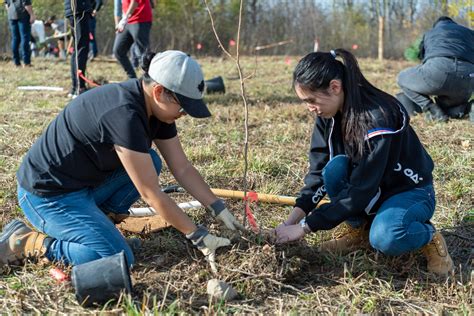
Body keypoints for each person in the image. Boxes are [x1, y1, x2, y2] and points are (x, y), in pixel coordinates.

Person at [0, 50, 243, 271]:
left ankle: (101, 220)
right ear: (159, 91)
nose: (184, 114)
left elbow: (182, 167)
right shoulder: (124, 115)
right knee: (117, 258)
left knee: (152, 162)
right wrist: (198, 235)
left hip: (82, 186)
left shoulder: (156, 109)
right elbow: (151, 194)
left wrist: (217, 206)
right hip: (47, 196)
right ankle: (26, 241)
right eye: (183, 107)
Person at [274, 49, 454, 276]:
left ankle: (428, 237)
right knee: (333, 170)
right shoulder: (326, 115)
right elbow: (318, 172)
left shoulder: (377, 118)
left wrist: (304, 228)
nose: (309, 107)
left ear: (335, 87)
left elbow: (360, 190)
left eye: (311, 100)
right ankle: (358, 231)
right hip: (369, 188)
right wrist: (291, 221)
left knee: (386, 237)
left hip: (409, 191)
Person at [397, 16, 474, 122]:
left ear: (437, 25)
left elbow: (422, 58)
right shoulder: (469, 32)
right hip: (467, 77)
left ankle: (432, 109)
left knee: (401, 78)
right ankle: (467, 108)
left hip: (439, 71)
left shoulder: (430, 33)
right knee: (448, 106)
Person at [113, 0, 153, 78]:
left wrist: (125, 18)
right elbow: (118, 6)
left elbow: (135, 1)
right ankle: (133, 79)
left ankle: (149, 80)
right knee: (118, 50)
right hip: (127, 21)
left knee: (143, 53)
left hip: (140, 19)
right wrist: (119, 22)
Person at [65, 0, 92, 98]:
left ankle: (75, 86)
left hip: (75, 10)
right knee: (81, 48)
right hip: (79, 9)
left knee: (78, 49)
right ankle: (79, 87)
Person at [4, 0, 35, 67]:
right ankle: (26, 62)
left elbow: (6, 4)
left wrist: (11, 13)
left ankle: (16, 62)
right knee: (25, 38)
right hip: (23, 15)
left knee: (15, 39)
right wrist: (32, 15)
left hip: (11, 15)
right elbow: (26, 4)